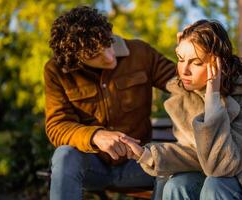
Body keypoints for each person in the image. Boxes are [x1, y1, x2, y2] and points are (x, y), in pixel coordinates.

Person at [121, 19, 242, 200]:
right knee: (176, 185)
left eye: (196, 62)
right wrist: (147, 155)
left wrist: (212, 98)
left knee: (215, 185)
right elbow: (200, 155)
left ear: (218, 65)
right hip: (214, 170)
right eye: (180, 59)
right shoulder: (185, 95)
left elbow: (222, 166)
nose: (183, 70)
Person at [44, 5, 176, 200]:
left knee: (172, 166)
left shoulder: (141, 53)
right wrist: (95, 135)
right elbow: (56, 126)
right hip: (92, 167)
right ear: (75, 60)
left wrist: (196, 52)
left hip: (139, 165)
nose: (109, 56)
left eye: (108, 43)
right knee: (64, 156)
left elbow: (184, 81)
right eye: (94, 55)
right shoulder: (56, 71)